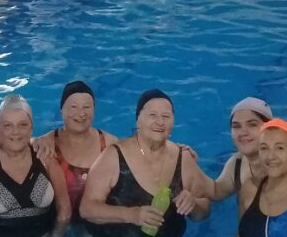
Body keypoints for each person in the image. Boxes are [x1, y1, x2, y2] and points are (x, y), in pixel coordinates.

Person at [80, 89, 210, 236]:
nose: (160, 122)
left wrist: (193, 203)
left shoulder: (183, 158)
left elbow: (202, 214)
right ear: (138, 120)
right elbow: (87, 209)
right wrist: (132, 215)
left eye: (166, 116)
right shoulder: (114, 157)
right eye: (152, 115)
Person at [0, 94, 71, 236]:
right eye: (8, 125)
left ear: (31, 127)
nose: (15, 132)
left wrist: (56, 235)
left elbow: (64, 210)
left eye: (22, 124)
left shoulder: (44, 158)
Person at [34, 80, 118, 220]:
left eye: (87, 107)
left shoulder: (109, 143)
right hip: (58, 221)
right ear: (62, 110)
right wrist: (32, 140)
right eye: (74, 107)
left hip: (98, 222)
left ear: (94, 110)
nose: (81, 113)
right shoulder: (47, 143)